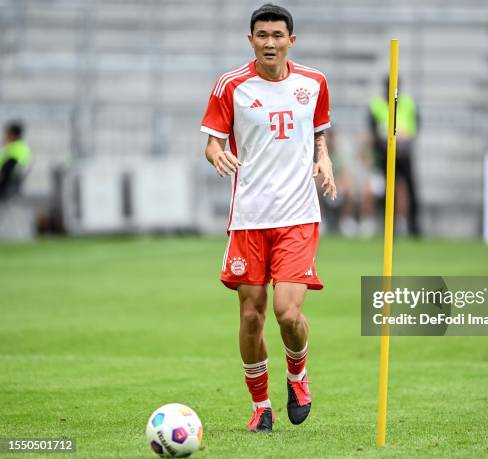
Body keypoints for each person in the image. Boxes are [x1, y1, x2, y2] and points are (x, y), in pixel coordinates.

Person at [199, 4, 335, 433]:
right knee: (251, 316)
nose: (270, 42)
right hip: (249, 218)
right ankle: (261, 406)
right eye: (262, 35)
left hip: (297, 215)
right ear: (251, 39)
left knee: (287, 313)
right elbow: (212, 142)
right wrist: (217, 153)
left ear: (291, 40)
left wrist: (324, 158)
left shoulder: (314, 83)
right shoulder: (230, 85)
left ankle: (298, 376)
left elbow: (318, 132)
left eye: (278, 35)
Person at [368, 78, 421, 236]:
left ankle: (413, 226)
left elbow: (416, 125)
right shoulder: (376, 105)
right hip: (385, 154)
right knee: (387, 191)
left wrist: (407, 136)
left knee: (410, 189)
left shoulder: (408, 103)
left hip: (404, 153)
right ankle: (388, 226)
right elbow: (373, 129)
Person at [0, 121, 31, 201]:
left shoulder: (17, 148)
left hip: (6, 184)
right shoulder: (17, 146)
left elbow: (8, 168)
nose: (4, 136)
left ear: (13, 134)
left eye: (7, 133)